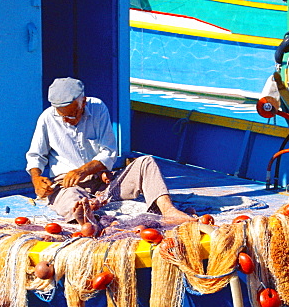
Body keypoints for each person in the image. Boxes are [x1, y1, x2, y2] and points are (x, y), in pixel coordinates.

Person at [26, 78, 194, 226]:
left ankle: (168, 210)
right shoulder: (47, 118)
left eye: (72, 114)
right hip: (66, 185)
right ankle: (86, 216)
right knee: (71, 199)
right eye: (62, 116)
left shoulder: (98, 108)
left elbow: (108, 151)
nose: (68, 120)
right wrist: (36, 179)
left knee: (146, 162)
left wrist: (83, 171)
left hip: (103, 184)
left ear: (83, 101)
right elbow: (36, 156)